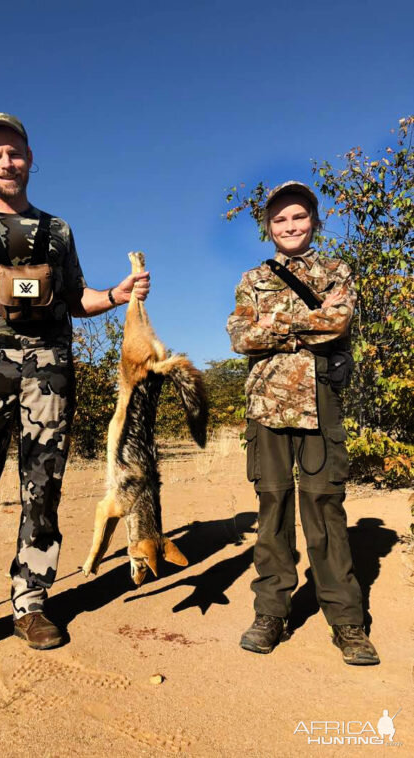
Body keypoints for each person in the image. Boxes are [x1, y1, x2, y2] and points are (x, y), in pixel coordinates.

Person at [0, 113, 150, 674]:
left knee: (41, 491)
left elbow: (76, 299)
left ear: (29, 157)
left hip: (49, 375)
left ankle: (31, 603)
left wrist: (116, 294)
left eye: (14, 152)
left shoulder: (58, 231)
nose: (6, 162)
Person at [227, 180, 379, 665]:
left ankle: (348, 622)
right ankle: (271, 612)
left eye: (298, 217)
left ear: (313, 220)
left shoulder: (336, 270)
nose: (290, 226)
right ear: (268, 227)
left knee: (325, 512)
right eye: (279, 219)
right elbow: (239, 336)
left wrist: (274, 326)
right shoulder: (252, 278)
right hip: (266, 406)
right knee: (271, 511)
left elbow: (337, 322)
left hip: (321, 402)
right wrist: (299, 325)